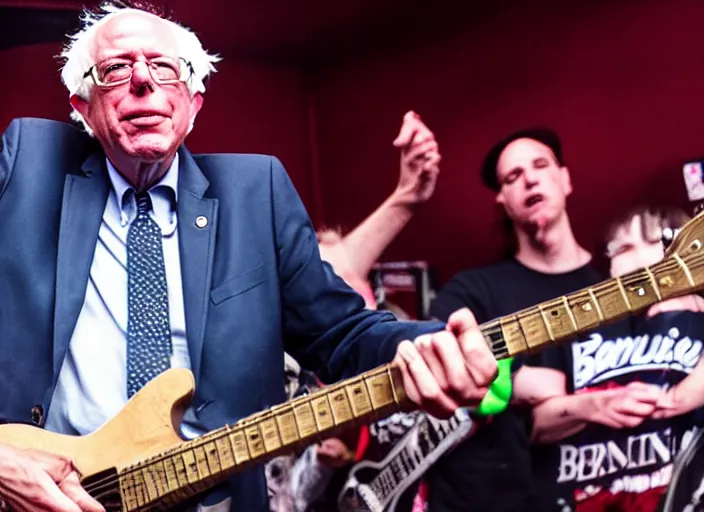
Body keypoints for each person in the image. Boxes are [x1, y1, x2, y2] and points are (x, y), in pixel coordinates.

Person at [0, 3, 497, 512]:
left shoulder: (255, 192)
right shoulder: (27, 164)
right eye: (116, 68)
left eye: (164, 66)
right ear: (82, 106)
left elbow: (340, 330)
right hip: (58, 496)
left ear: (194, 102)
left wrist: (430, 345)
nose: (143, 81)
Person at [427, 127, 603, 512]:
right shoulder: (472, 292)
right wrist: (516, 378)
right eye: (513, 176)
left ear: (565, 178)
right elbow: (435, 358)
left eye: (540, 165)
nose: (530, 178)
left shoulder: (614, 287)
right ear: (503, 200)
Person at [527, 205, 704, 512]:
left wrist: (679, 396)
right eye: (623, 247)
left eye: (654, 242)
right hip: (589, 494)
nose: (639, 256)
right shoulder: (574, 325)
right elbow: (538, 425)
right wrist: (594, 405)